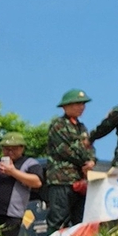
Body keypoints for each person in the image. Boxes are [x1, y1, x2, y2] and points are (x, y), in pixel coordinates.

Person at [45, 90, 96, 228]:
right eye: (77, 104)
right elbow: (65, 150)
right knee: (58, 220)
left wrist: (92, 161)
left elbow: (90, 147)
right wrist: (87, 162)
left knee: (79, 221)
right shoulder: (58, 125)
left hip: (79, 181)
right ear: (65, 106)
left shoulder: (81, 127)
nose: (82, 107)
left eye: (83, 104)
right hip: (61, 180)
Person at [0, 133, 44, 236]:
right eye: (6, 149)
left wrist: (13, 172)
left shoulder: (29, 163)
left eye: (13, 149)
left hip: (12, 214)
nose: (10, 152)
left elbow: (37, 182)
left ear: (22, 148)